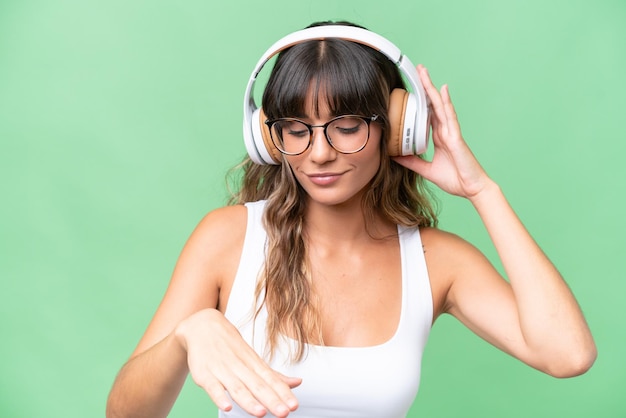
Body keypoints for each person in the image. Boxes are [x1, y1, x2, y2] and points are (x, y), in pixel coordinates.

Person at [106, 21, 596, 418]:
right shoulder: (226, 239)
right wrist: (186, 335)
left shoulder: (436, 262)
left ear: (397, 129)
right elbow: (125, 414)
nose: (319, 153)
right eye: (296, 130)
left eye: (345, 127)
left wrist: (482, 191)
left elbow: (567, 355)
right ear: (269, 139)